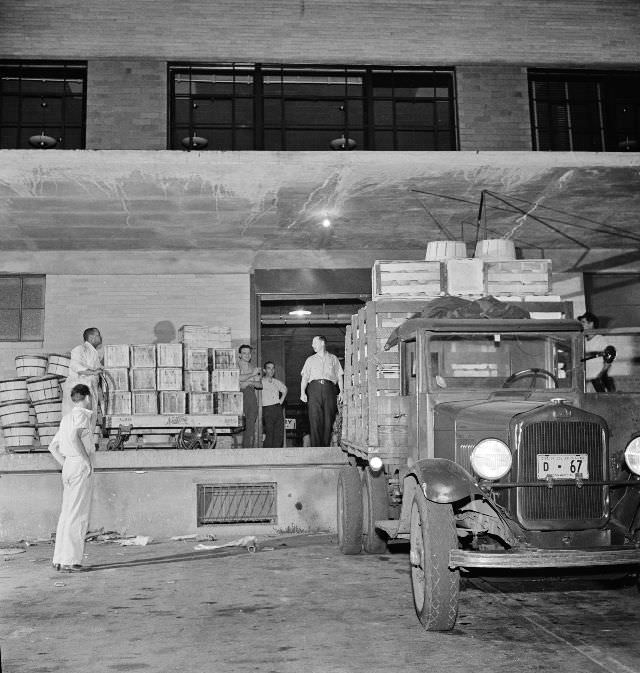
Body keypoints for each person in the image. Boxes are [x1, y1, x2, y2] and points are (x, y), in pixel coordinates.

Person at [48, 384, 95, 572]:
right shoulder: (82, 415)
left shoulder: (66, 419)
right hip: (79, 466)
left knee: (66, 513)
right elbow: (76, 438)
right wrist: (85, 461)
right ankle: (70, 561)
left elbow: (52, 447)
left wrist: (66, 464)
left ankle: (59, 559)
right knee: (78, 513)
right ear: (87, 397)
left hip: (68, 465)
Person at [300, 335, 344, 447]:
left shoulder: (333, 358)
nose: (312, 345)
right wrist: (302, 392)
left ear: (322, 343)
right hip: (313, 388)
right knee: (314, 418)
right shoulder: (310, 360)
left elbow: (339, 376)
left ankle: (324, 447)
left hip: (329, 388)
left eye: (315, 342)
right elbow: (305, 377)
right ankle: (316, 447)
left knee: (328, 418)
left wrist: (342, 392)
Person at [62, 327, 103, 434]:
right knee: (77, 420)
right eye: (98, 335)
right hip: (78, 389)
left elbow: (98, 369)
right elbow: (75, 366)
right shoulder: (80, 349)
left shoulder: (94, 353)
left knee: (88, 420)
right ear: (92, 337)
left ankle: (83, 446)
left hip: (90, 389)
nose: (101, 337)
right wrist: (92, 372)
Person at [578, 311, 615, 392]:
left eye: (583, 322)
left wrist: (600, 376)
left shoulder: (600, 339)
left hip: (596, 382)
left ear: (591, 324)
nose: (581, 325)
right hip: (585, 381)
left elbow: (609, 357)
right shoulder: (582, 341)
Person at [238, 344, 261, 447]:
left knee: (251, 421)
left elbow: (260, 384)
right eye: (244, 353)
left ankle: (247, 448)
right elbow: (238, 379)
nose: (247, 355)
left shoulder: (252, 367)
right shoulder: (237, 365)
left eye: (248, 353)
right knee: (246, 422)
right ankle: (247, 447)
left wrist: (249, 382)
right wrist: (252, 375)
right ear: (239, 355)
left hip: (250, 393)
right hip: (241, 393)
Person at [261, 361, 288, 448]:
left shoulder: (276, 382)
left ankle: (277, 456)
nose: (271, 370)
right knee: (269, 433)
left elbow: (285, 389)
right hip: (267, 409)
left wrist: (281, 401)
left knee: (279, 433)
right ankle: (267, 457)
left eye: (273, 368)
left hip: (277, 408)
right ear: (264, 370)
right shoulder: (261, 381)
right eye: (269, 368)